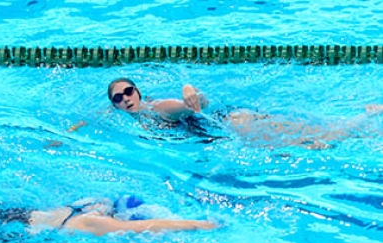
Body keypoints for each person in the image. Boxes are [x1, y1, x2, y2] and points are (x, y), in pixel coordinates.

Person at [107, 77, 383, 149]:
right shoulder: (135, 118)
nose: (125, 99)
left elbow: (189, 104)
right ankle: (367, 124)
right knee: (315, 141)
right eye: (118, 98)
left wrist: (189, 92)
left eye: (128, 91)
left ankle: (369, 116)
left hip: (235, 125)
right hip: (226, 131)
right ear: (115, 106)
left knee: (326, 136)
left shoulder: (157, 108)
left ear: (138, 91)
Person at [0, 195, 216, 242]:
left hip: (13, 211)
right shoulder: (95, 224)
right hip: (10, 229)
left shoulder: (90, 204)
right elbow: (147, 226)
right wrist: (198, 224)